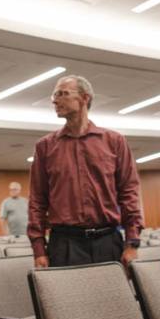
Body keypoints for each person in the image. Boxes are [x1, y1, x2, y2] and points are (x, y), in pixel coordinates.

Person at [28, 74, 143, 268]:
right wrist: (39, 248)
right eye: (54, 96)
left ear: (84, 98)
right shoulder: (45, 147)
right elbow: (37, 200)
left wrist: (132, 242)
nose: (55, 100)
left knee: (112, 298)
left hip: (107, 242)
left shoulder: (114, 141)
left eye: (62, 94)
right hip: (64, 245)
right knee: (67, 299)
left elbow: (129, 192)